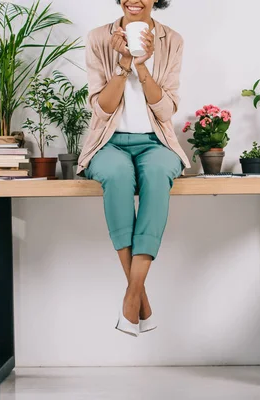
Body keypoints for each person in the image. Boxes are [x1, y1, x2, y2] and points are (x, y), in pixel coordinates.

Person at [76, 0, 191, 337]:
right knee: (116, 174)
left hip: (156, 142)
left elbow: (167, 110)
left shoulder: (172, 40)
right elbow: (102, 108)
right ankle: (139, 296)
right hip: (109, 141)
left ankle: (131, 296)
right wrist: (123, 64)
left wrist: (143, 66)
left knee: (157, 174)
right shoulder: (99, 38)